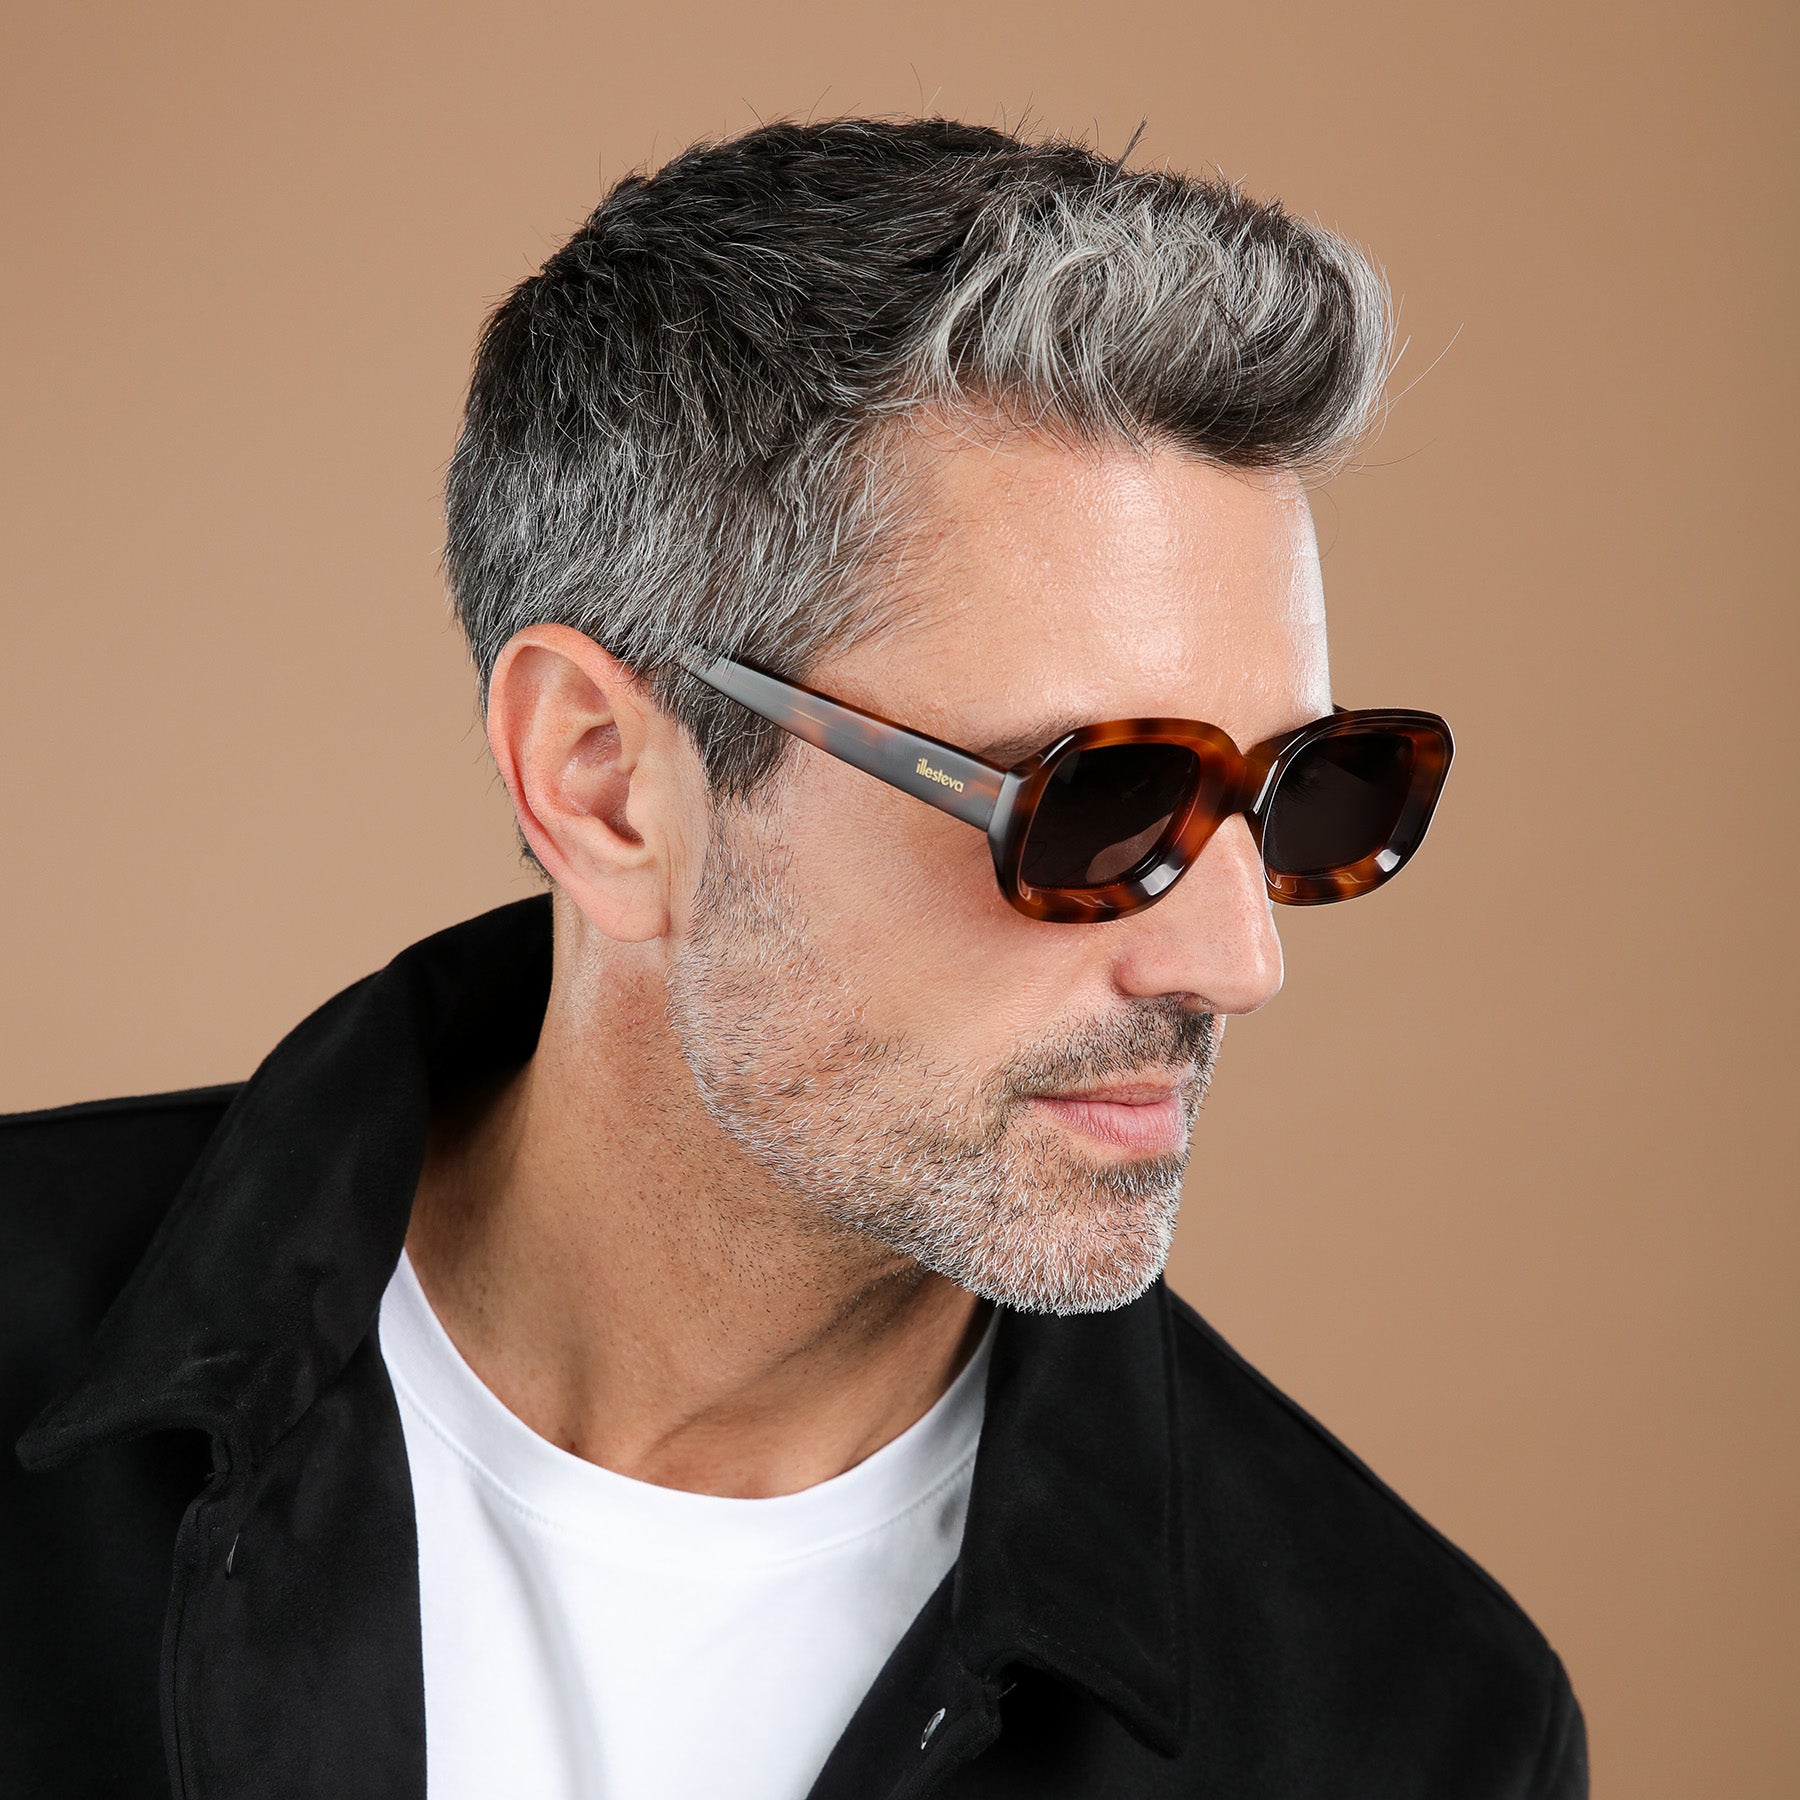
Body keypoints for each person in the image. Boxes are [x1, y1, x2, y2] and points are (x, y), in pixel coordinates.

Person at [1, 118, 1586, 1799]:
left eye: (1312, 790)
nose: (1234, 957)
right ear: (605, 785)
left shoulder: (1415, 1729)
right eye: (1099, 800)